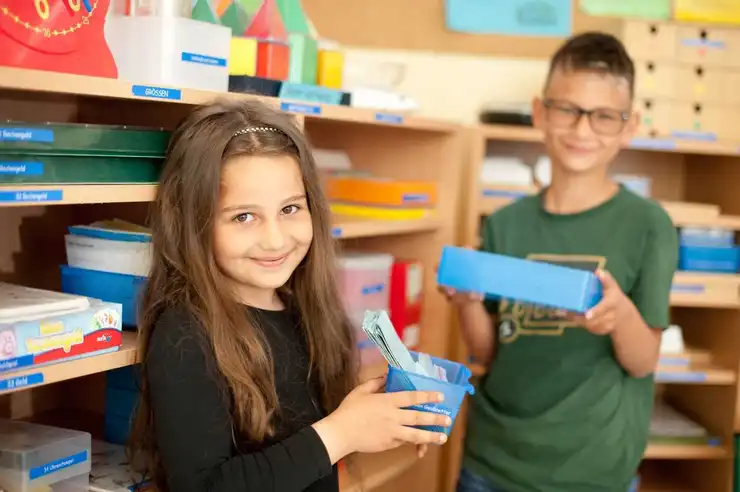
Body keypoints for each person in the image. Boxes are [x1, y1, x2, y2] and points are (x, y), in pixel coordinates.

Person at [128, 99, 451, 492]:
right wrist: (341, 433)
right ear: (192, 222)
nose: (276, 239)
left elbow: (297, 438)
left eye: (290, 209)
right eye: (243, 216)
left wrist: (376, 410)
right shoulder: (185, 335)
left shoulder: (302, 309)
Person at [445, 32, 678, 492]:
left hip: (592, 470)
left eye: (604, 116)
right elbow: (489, 352)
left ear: (629, 127)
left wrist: (619, 315)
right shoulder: (505, 224)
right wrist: (468, 302)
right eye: (567, 109)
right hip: (492, 463)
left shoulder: (649, 224)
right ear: (540, 112)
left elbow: (643, 360)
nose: (582, 130)